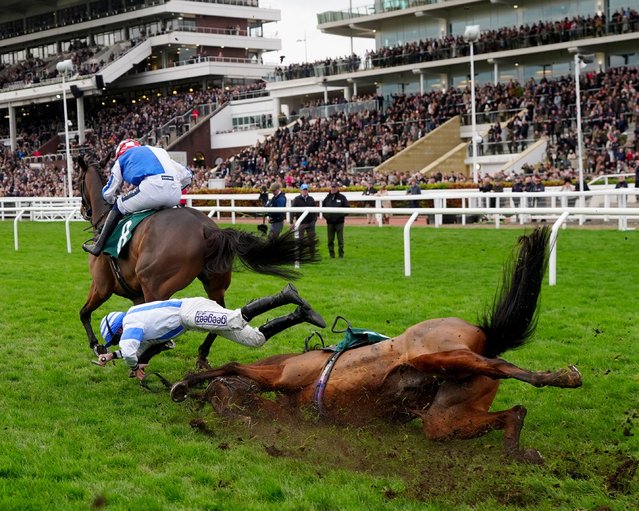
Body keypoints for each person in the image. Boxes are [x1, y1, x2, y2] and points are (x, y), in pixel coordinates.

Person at [93, 283, 326, 382]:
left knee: (234, 320)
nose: (119, 341)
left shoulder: (132, 321)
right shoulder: (135, 325)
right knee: (254, 340)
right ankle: (299, 315)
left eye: (116, 337)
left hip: (190, 312)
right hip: (192, 318)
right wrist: (112, 356)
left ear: (120, 329)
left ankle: (284, 295)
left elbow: (131, 350)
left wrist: (133, 365)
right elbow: (134, 349)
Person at [82, 139, 192, 255]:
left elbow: (108, 193)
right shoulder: (158, 152)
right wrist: (172, 189)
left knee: (120, 204)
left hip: (152, 189)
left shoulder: (122, 158)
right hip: (175, 193)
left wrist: (111, 200)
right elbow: (187, 176)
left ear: (120, 153)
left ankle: (98, 245)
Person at [322, 182, 349, 258]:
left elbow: (347, 209)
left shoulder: (342, 197)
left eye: (335, 187)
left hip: (339, 222)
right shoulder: (327, 198)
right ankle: (331, 254)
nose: (333, 188)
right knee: (330, 240)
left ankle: (341, 254)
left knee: (340, 240)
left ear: (337, 188)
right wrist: (327, 217)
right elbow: (323, 209)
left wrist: (339, 217)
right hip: (330, 223)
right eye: (332, 187)